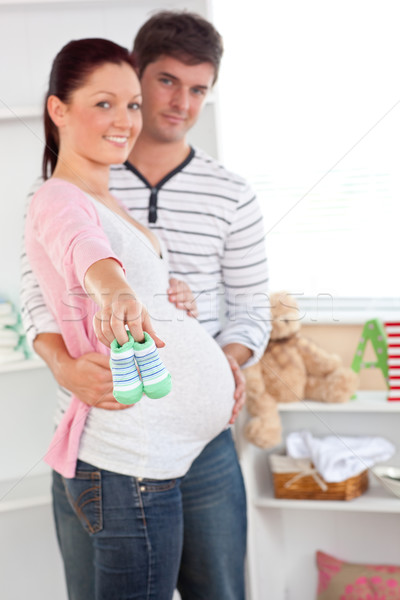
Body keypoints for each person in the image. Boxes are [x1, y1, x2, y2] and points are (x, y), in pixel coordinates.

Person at [21, 11, 271, 600]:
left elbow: (251, 306)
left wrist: (225, 360)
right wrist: (68, 365)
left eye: (199, 89)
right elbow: (49, 292)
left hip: (206, 441)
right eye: (165, 82)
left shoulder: (229, 192)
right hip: (116, 433)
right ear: (140, 71)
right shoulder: (76, 182)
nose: (180, 102)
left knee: (221, 591)